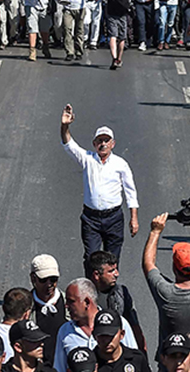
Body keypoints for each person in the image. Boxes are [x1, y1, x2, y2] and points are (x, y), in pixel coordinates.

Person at [59, 105, 139, 261]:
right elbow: (68, 144)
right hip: (91, 219)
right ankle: (91, 285)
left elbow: (131, 191)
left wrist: (133, 218)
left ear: (112, 143)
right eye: (99, 141)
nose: (103, 144)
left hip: (114, 218)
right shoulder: (87, 159)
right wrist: (65, 125)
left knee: (112, 260)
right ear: (94, 144)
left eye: (106, 140)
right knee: (91, 258)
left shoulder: (120, 164)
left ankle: (110, 286)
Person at [141, 207, 190, 347]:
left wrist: (155, 232)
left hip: (170, 362)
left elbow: (148, 263)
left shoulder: (166, 293)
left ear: (174, 267)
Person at [51, 279, 137, 372]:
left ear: (87, 302)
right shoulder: (65, 331)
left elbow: (133, 359)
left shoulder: (118, 323)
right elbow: (59, 368)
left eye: (71, 301)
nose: (66, 306)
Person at [86, 252, 144, 351]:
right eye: (111, 271)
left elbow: (134, 325)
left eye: (116, 269)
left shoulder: (122, 292)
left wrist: (142, 352)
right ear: (96, 275)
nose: (117, 274)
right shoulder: (84, 295)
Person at [29, 254, 67, 359]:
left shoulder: (68, 303)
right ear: (33, 278)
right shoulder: (25, 307)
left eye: (53, 279)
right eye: (43, 280)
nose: (49, 284)